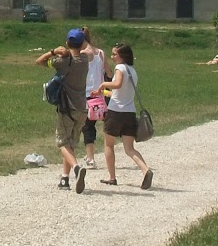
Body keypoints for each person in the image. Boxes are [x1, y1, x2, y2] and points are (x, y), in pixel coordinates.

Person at [35, 28, 90, 193]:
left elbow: (39, 61)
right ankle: (64, 179)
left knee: (62, 143)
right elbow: (87, 49)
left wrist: (53, 52)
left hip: (67, 108)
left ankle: (76, 168)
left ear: (67, 43)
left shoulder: (63, 62)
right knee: (71, 144)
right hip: (82, 108)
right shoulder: (85, 59)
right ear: (82, 44)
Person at [94, 42, 153, 190]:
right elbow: (118, 93)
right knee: (129, 149)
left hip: (115, 112)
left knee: (109, 144)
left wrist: (103, 84)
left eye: (115, 54)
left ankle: (112, 177)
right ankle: (145, 170)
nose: (112, 57)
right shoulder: (132, 71)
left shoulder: (119, 68)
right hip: (129, 112)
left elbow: (118, 84)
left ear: (122, 56)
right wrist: (103, 93)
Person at [79, 27, 106, 170]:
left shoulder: (82, 53)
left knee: (87, 127)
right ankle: (91, 155)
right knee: (91, 125)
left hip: (86, 95)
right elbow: (108, 72)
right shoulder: (100, 53)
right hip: (99, 95)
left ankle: (90, 158)